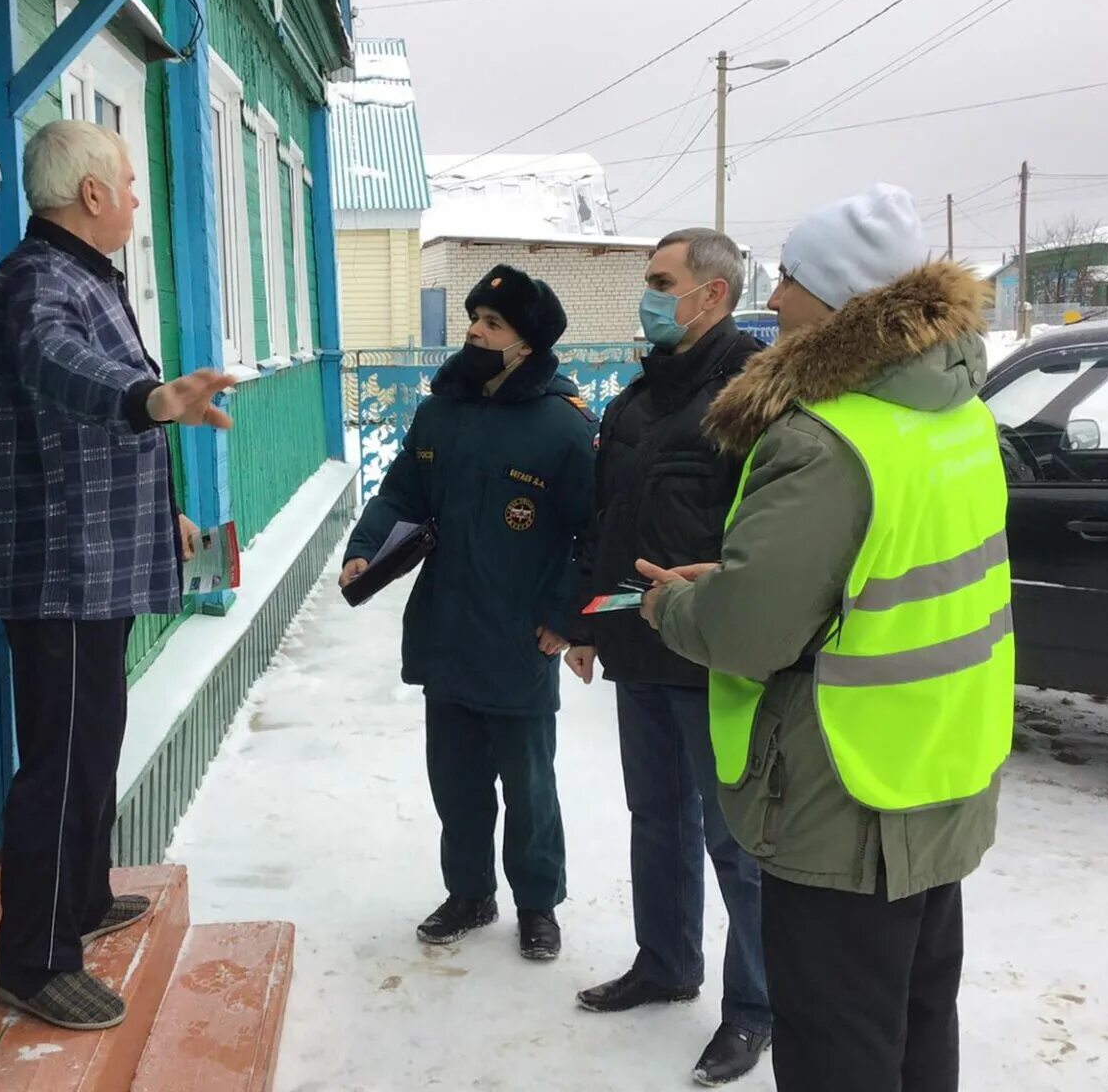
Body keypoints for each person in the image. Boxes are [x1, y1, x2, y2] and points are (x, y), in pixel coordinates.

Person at [638, 184, 1013, 1092]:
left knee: (839, 1048)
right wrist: (739, 585)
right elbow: (878, 579)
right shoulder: (957, 413)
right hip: (942, 769)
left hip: (843, 800)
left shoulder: (825, 439)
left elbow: (752, 632)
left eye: (790, 280)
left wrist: (676, 609)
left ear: (842, 297)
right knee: (919, 1026)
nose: (773, 300)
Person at [0, 120, 234, 1031]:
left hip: (98, 561)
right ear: (88, 194)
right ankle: (35, 963)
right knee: (60, 765)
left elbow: (84, 432)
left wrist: (165, 511)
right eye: (126, 183)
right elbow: (59, 367)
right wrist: (147, 399)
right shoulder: (40, 284)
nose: (133, 199)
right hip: (61, 569)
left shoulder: (82, 277)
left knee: (90, 749)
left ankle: (78, 898)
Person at [340, 265, 595, 961]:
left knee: (530, 788)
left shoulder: (563, 428)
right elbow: (400, 495)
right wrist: (367, 549)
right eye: (474, 319)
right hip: (447, 632)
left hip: (519, 638)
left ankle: (538, 903)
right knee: (455, 783)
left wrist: (569, 617)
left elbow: (593, 533)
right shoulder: (439, 413)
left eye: (493, 324)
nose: (476, 332)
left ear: (527, 344)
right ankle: (469, 892)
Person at [565, 229, 772, 1086]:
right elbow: (609, 524)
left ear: (712, 295)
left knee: (736, 842)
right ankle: (665, 962)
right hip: (638, 646)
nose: (647, 297)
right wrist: (583, 622)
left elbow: (770, 536)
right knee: (656, 818)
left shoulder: (755, 394)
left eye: (660, 281)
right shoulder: (637, 402)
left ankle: (755, 1006)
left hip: (716, 655)